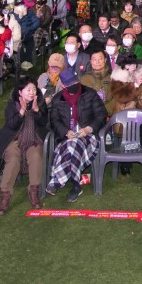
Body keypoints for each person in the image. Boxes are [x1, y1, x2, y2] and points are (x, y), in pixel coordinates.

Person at [0, 77, 49, 215]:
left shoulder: (39, 102)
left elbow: (43, 123)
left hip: (34, 139)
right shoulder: (12, 104)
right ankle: (5, 195)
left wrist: (36, 110)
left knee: (36, 155)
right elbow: (11, 125)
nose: (32, 92)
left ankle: (34, 192)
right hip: (14, 140)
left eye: (34, 89)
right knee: (13, 157)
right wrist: (21, 111)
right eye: (28, 90)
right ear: (20, 92)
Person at [45, 72, 106, 203]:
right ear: (63, 85)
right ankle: (76, 185)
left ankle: (57, 181)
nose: (73, 86)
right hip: (66, 139)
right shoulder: (57, 99)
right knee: (72, 145)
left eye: (74, 83)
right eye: (69, 84)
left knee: (73, 145)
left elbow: (101, 114)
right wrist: (65, 132)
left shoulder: (89, 94)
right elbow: (54, 121)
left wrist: (88, 128)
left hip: (88, 137)